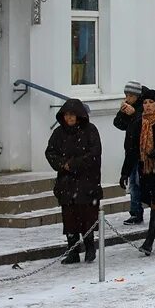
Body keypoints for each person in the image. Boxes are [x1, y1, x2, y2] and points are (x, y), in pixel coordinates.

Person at [120, 88, 155, 255]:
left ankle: (149, 241)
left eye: (151, 102)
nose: (147, 106)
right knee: (154, 203)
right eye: (145, 103)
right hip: (145, 169)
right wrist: (125, 172)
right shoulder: (138, 124)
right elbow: (131, 150)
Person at [45, 98, 102, 264]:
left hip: (87, 183)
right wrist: (63, 165)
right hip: (67, 184)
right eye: (66, 115)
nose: (69, 118)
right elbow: (50, 152)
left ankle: (90, 247)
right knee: (69, 219)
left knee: (87, 217)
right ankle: (73, 250)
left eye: (72, 115)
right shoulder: (59, 133)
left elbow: (94, 154)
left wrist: (75, 164)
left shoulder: (90, 130)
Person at [113, 81, 146, 225]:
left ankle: (153, 212)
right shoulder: (129, 107)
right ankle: (136, 212)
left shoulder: (145, 105)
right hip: (132, 150)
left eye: (130, 95)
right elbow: (118, 124)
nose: (127, 98)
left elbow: (144, 124)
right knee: (133, 183)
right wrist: (122, 112)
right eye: (126, 95)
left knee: (140, 183)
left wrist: (134, 114)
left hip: (144, 151)